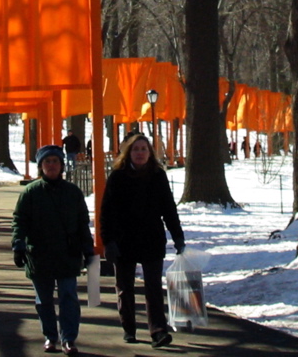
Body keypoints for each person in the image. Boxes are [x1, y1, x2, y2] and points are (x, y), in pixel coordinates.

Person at [100, 134, 185, 348]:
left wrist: (178, 237)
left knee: (154, 288)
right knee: (125, 287)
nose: (140, 153)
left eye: (144, 149)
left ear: (150, 153)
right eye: (136, 149)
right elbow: (107, 212)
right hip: (124, 240)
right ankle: (129, 327)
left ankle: (158, 330)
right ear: (129, 152)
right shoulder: (118, 177)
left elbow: (169, 209)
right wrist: (108, 241)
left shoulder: (158, 176)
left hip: (151, 238)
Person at [12, 145, 94, 356]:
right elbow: (19, 220)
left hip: (68, 252)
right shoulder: (30, 193)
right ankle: (50, 336)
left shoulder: (73, 193)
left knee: (68, 297)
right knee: (44, 299)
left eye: (55, 161)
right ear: (41, 166)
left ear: (61, 165)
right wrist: (18, 245)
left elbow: (82, 222)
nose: (51, 165)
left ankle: (69, 338)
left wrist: (88, 248)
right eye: (47, 162)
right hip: (39, 253)